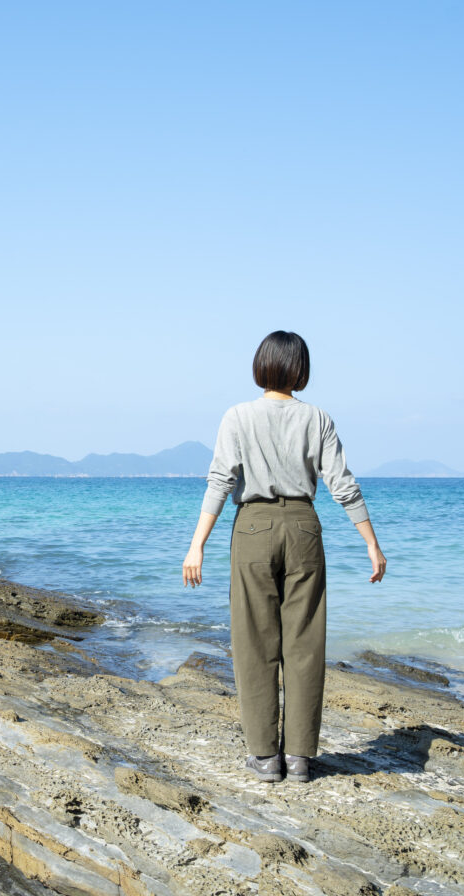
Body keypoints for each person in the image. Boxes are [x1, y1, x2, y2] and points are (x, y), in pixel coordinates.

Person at [181, 330, 385, 784]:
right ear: (301, 369)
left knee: (254, 643)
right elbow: (342, 483)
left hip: (252, 525)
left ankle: (263, 757)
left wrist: (197, 544)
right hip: (304, 526)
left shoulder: (237, 416)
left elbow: (219, 480)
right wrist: (370, 541)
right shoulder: (318, 419)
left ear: (261, 365)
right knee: (305, 644)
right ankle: (298, 758)